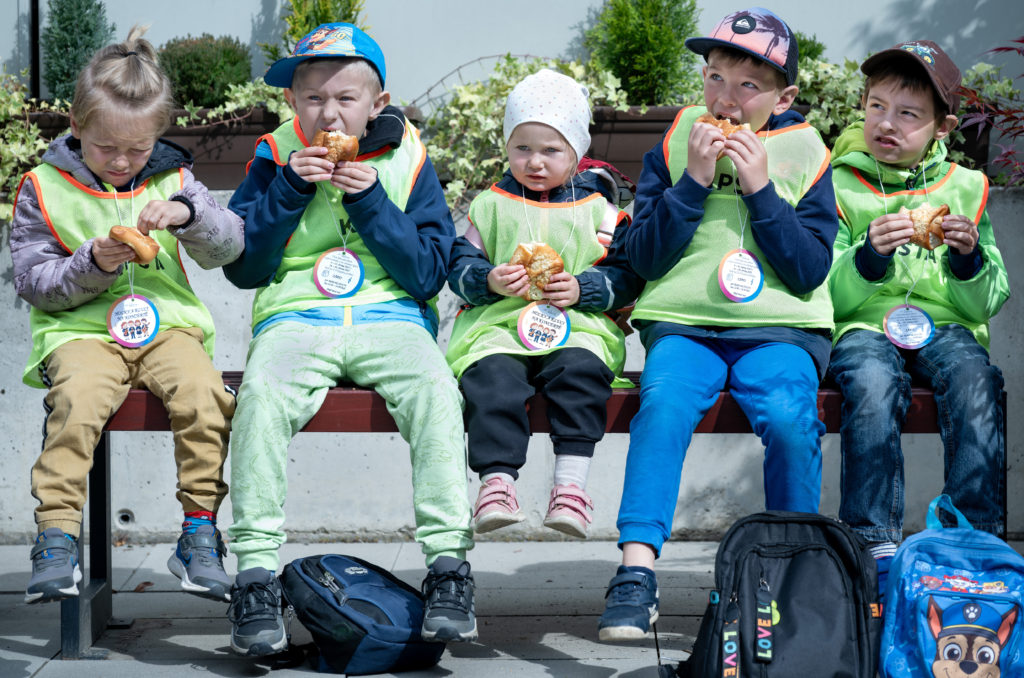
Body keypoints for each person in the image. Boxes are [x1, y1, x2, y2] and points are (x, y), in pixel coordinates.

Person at [221, 23, 476, 655]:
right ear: (292, 103)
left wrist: (371, 204)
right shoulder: (273, 156)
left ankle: (449, 567)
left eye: (345, 99)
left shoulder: (407, 158)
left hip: (391, 316)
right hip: (296, 316)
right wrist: (288, 188)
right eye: (312, 98)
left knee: (436, 392)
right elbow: (243, 268)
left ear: (376, 104)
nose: (328, 114)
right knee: (260, 399)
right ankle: (254, 577)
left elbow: (427, 273)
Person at [596, 7, 840, 641]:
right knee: (663, 407)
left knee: (789, 418)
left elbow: (810, 269)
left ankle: (791, 577)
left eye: (748, 86)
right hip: (685, 325)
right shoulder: (675, 141)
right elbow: (645, 257)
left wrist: (760, 190)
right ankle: (635, 571)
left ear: (784, 97)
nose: (726, 100)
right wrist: (694, 182)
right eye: (714, 78)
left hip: (779, 331)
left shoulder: (809, 152)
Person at [11, 26, 242, 606]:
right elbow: (35, 284)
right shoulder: (42, 187)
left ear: (157, 136)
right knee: (76, 401)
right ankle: (56, 536)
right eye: (105, 147)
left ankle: (199, 533)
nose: (120, 162)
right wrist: (90, 263)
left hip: (168, 326)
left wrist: (189, 215)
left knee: (205, 396)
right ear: (76, 124)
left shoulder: (176, 179)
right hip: (79, 330)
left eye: (137, 150)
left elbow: (230, 246)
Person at [827, 40, 1009, 593]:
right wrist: (867, 258)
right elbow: (824, 294)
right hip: (864, 325)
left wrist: (968, 259)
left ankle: (973, 539)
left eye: (908, 114)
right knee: (871, 381)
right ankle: (871, 543)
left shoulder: (966, 188)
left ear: (942, 127)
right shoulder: (838, 184)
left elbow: (988, 300)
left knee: (976, 379)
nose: (887, 123)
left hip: (947, 325)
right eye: (876, 106)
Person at [446, 69, 643, 540]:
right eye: (522, 148)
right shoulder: (491, 205)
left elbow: (625, 275)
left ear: (576, 152)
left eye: (551, 150)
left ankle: (570, 487)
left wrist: (584, 289)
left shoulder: (600, 212)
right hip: (500, 325)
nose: (534, 161)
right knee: (491, 377)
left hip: (576, 325)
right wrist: (488, 280)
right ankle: (496, 484)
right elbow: (459, 263)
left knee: (581, 372)